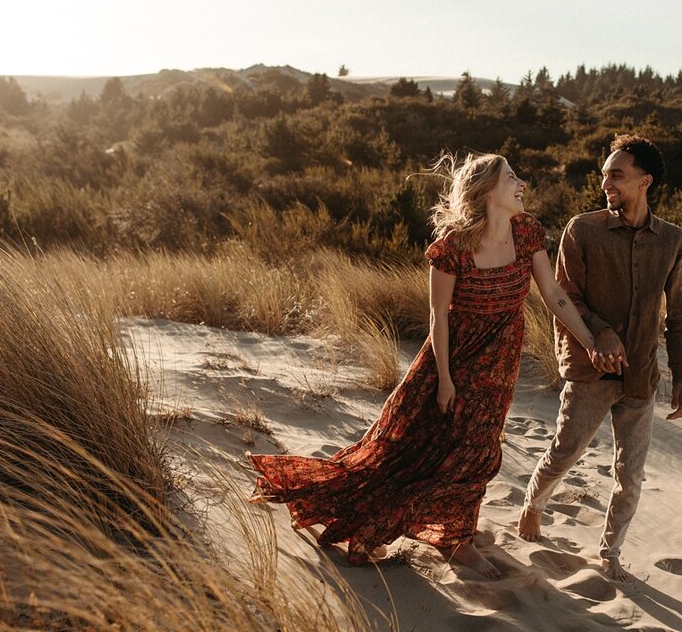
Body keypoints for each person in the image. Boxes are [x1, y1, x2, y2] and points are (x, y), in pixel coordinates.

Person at [250, 152, 607, 566]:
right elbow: (439, 315)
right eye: (512, 177)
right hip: (451, 361)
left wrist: (589, 341)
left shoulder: (527, 233)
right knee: (403, 452)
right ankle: (373, 522)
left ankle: (458, 538)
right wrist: (444, 380)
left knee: (479, 449)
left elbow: (554, 294)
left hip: (500, 359)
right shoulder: (453, 246)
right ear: (489, 191)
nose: (522, 182)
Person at [515, 136, 682, 579]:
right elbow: (564, 296)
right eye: (604, 174)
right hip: (589, 369)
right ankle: (534, 504)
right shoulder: (582, 229)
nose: (605, 182)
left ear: (645, 181)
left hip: (640, 377)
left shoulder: (673, 240)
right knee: (566, 451)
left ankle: (610, 553)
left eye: (616, 174)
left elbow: (679, 313)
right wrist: (601, 331)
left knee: (630, 475)